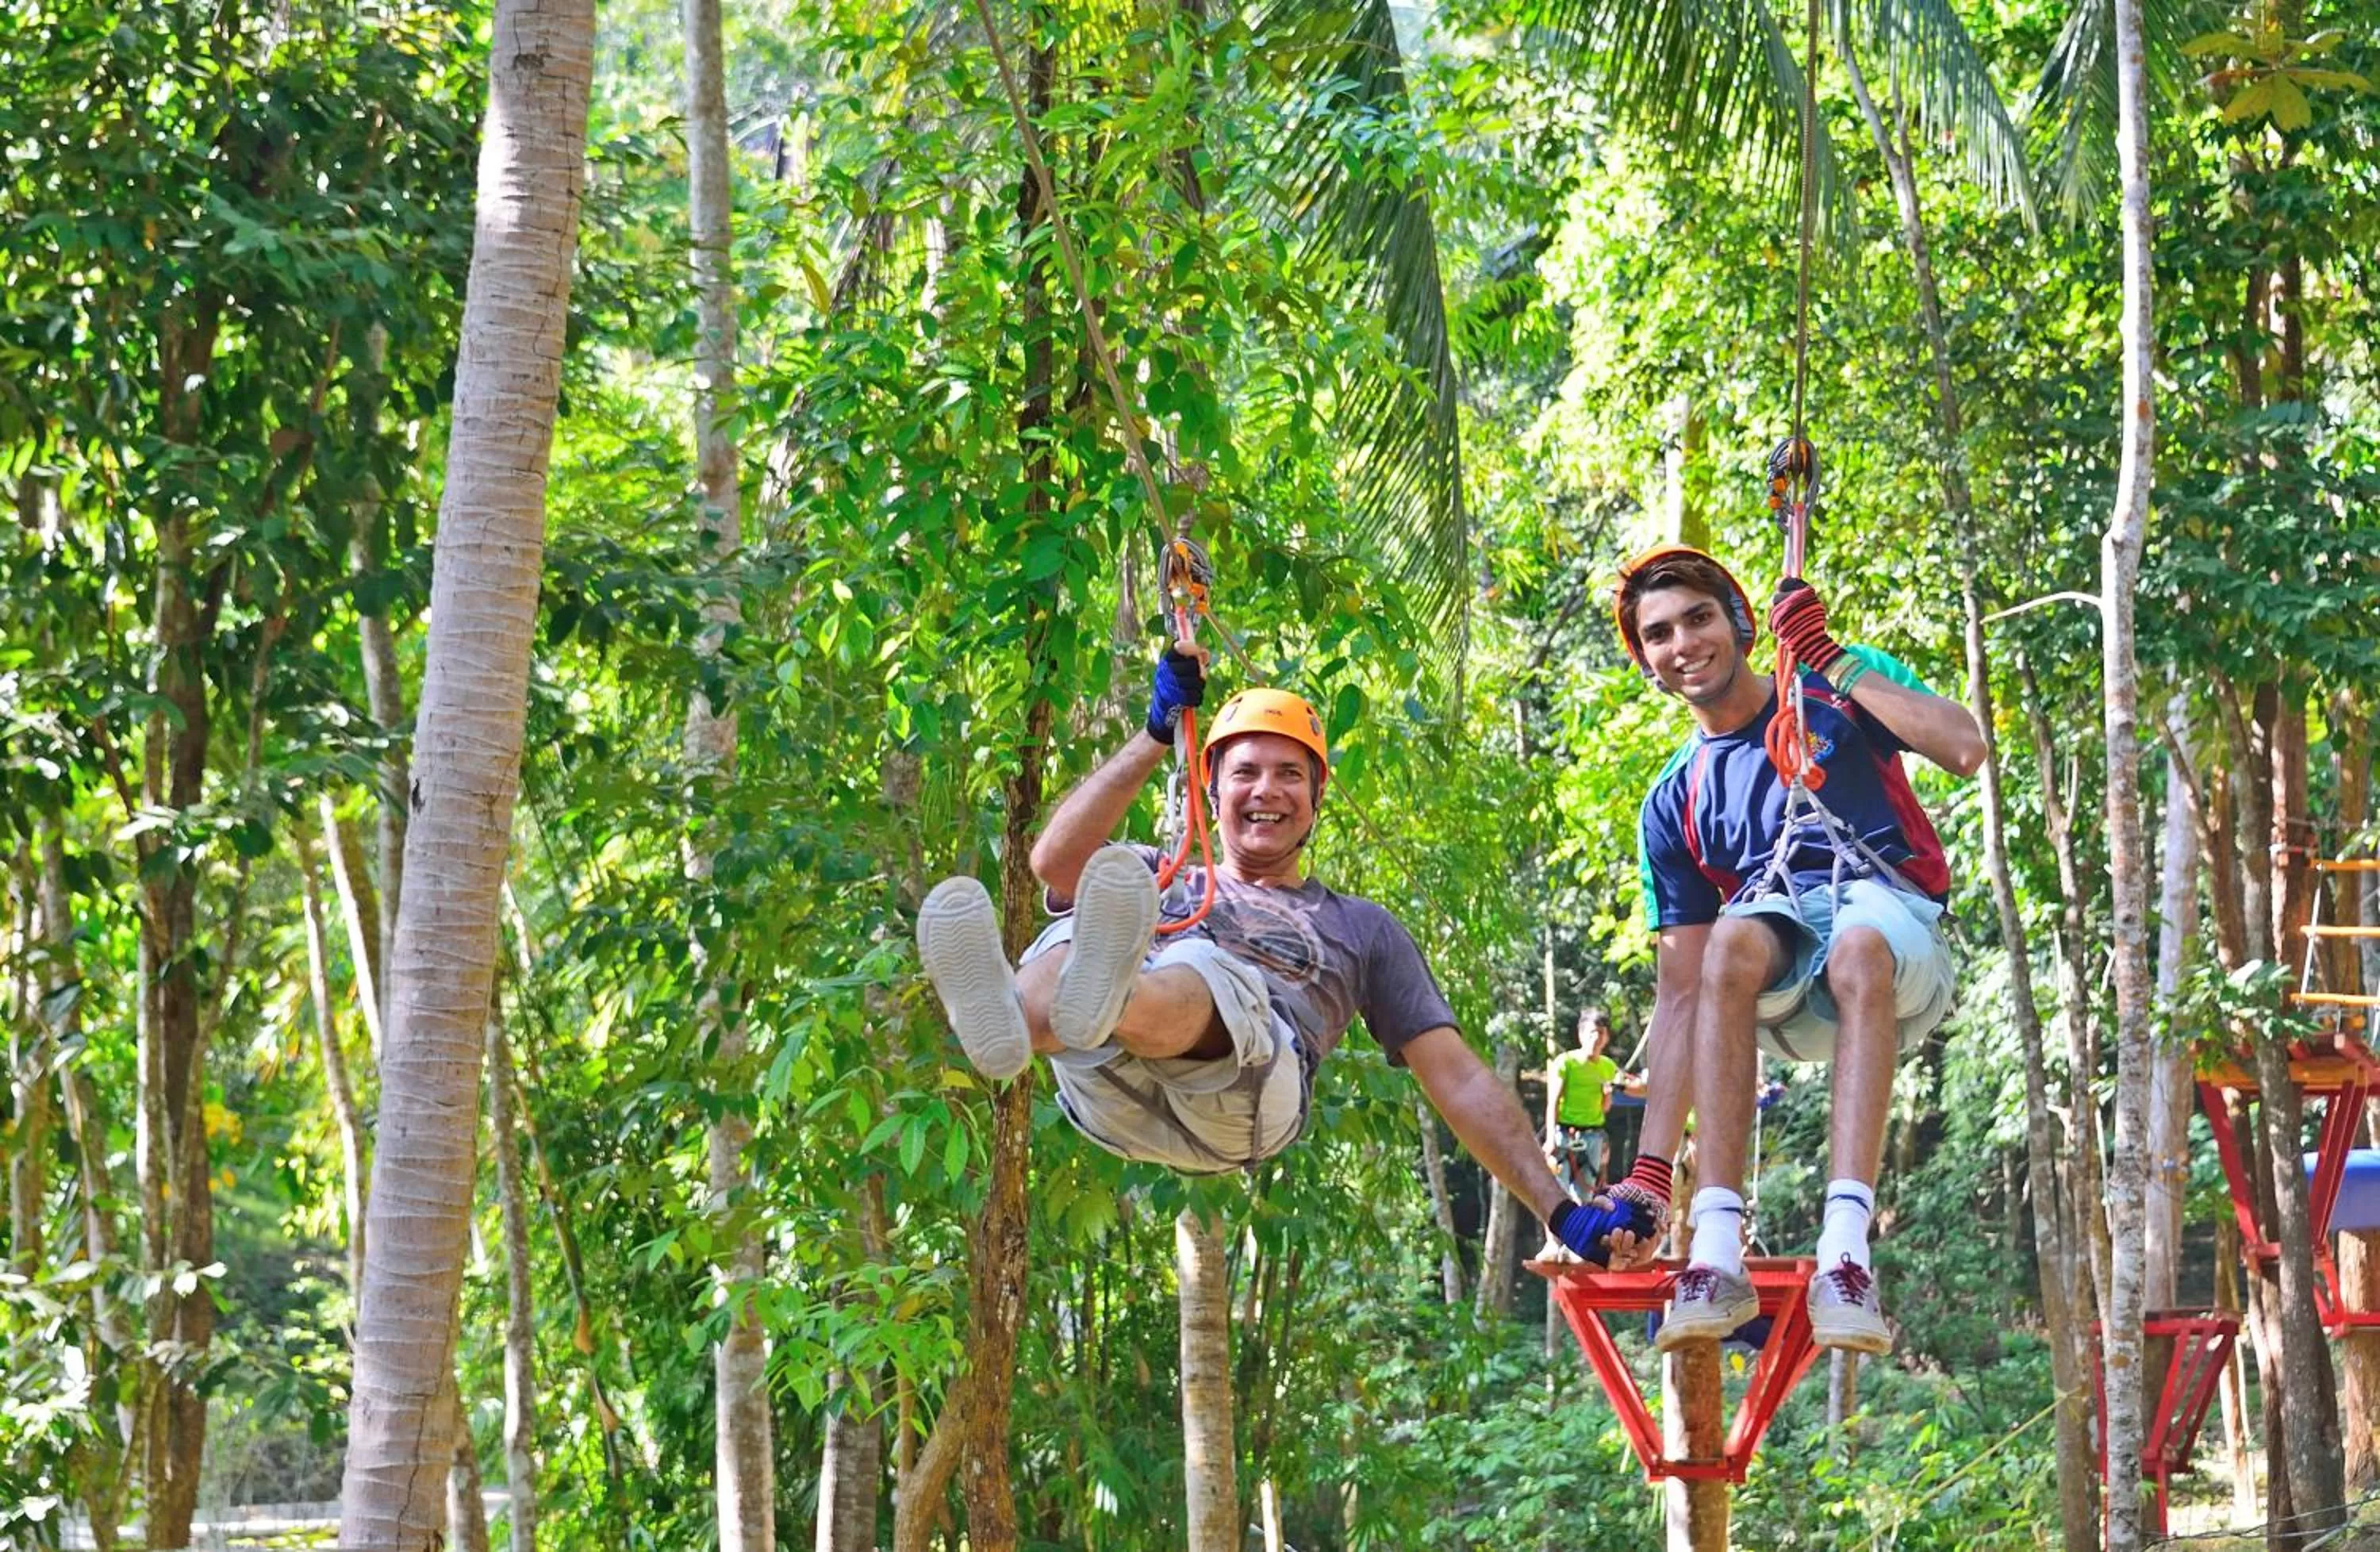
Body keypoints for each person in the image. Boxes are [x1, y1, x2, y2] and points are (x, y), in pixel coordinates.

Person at [914, 646, 1648, 1264]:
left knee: (1200, 970)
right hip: (1107, 1091)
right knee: (1080, 924)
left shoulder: (1360, 929)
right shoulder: (1156, 878)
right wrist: (1152, 733)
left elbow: (1455, 1078)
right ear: (1211, 787)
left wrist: (1562, 1212)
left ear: (1317, 795)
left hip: (1246, 1095)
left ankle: (1100, 1000)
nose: (1267, 790)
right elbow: (1053, 864)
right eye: (1245, 773)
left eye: (1290, 774)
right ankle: (1014, 1022)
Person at [1606, 544, 1984, 1353]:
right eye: (1660, 634)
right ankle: (1715, 1250)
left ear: (1740, 623)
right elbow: (1682, 995)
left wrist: (1831, 660)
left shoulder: (1832, 689)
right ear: (1648, 663)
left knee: (1855, 948)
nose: (1685, 644)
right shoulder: (1676, 799)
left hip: (1892, 942)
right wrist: (1648, 1172)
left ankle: (1845, 1256)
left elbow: (1966, 746)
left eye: (1700, 618)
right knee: (1731, 943)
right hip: (1781, 984)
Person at [1545, 1008, 1635, 1197]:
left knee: (1585, 1196)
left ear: (1607, 1038)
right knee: (1559, 1196)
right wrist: (1550, 1139)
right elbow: (1553, 1102)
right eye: (1592, 1033)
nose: (1597, 1038)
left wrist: (1607, 1095)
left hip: (1593, 1137)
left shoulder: (1607, 1067)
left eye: (1601, 1033)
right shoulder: (1566, 1062)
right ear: (1581, 1035)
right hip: (1565, 1135)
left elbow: (1605, 1108)